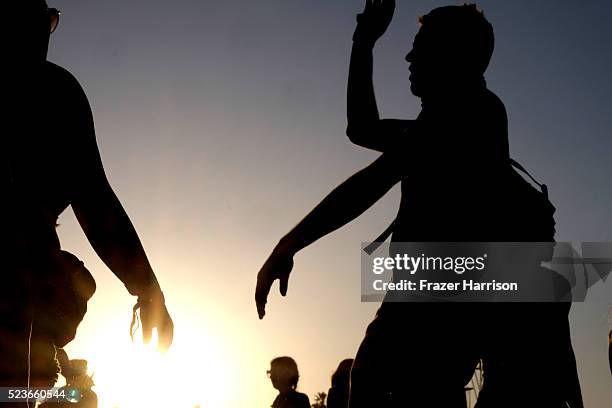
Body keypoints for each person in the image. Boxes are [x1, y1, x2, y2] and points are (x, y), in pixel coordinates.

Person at [256, 2, 581, 407]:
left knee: (377, 379)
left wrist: (289, 243)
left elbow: (373, 179)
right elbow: (361, 128)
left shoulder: (473, 113)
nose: (409, 57)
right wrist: (364, 41)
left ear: (453, 55)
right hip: (429, 294)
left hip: (440, 299)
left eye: (420, 47)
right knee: (386, 381)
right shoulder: (444, 120)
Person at [0, 1, 173, 401]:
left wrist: (147, 289)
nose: (43, 32)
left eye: (48, 20)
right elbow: (93, 198)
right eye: (32, 21)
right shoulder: (54, 93)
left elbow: (94, 198)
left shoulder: (57, 92)